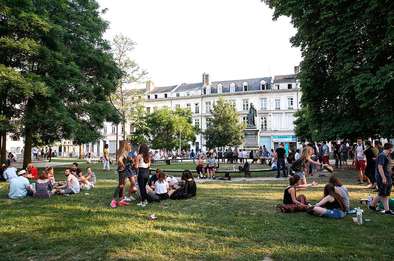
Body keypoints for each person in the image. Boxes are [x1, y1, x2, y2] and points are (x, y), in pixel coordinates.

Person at [369, 143, 394, 215]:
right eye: (392, 149)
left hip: (387, 176)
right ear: (390, 148)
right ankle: (385, 210)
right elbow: (380, 167)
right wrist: (383, 178)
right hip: (382, 177)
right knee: (383, 193)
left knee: (383, 193)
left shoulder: (386, 155)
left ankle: (373, 206)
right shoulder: (382, 156)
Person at [110, 142, 132, 208]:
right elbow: (120, 160)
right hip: (122, 171)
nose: (130, 145)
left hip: (123, 171)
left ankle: (120, 200)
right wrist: (123, 165)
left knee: (122, 185)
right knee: (120, 185)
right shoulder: (124, 152)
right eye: (129, 144)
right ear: (126, 146)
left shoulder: (125, 152)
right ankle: (113, 200)